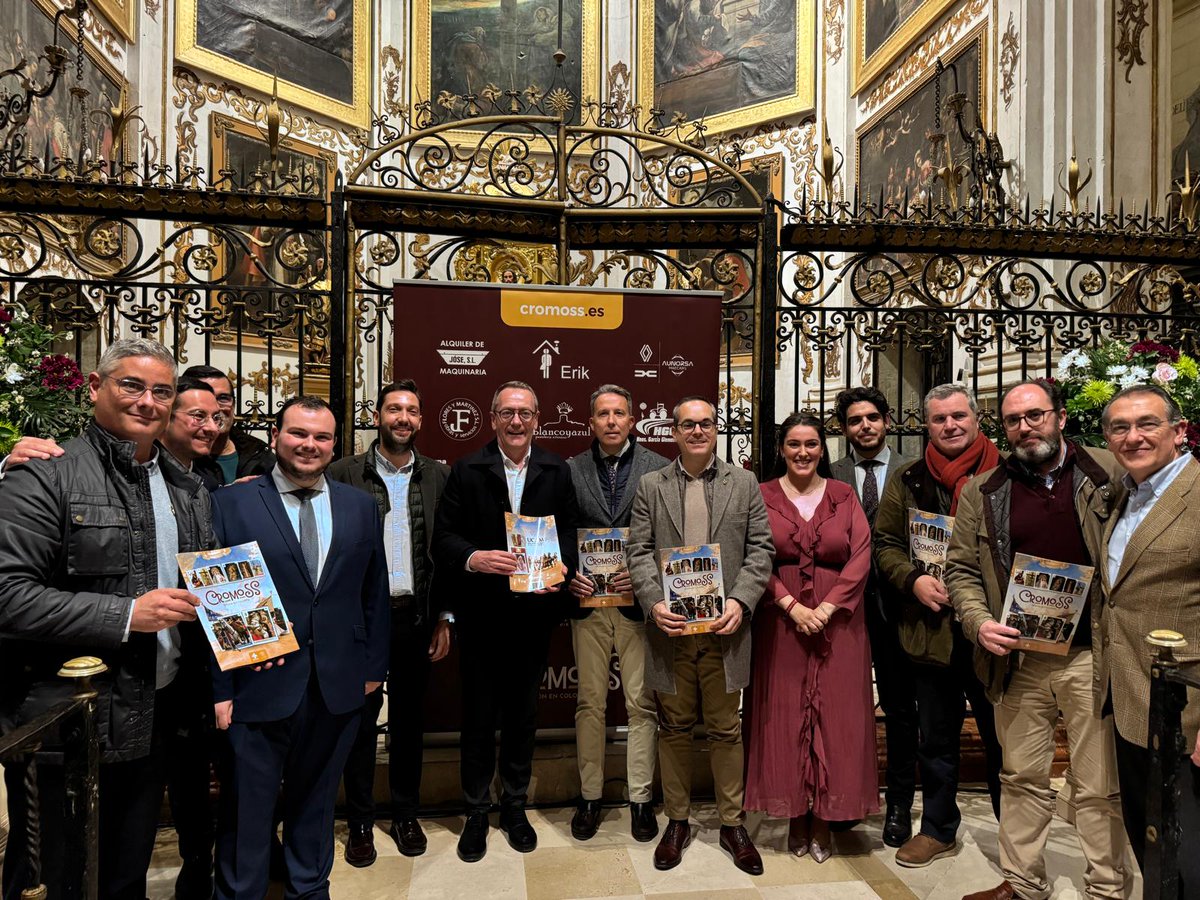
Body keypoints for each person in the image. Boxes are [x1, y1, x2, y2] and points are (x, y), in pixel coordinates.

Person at [0, 338, 214, 900]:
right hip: (72, 720)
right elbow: (6, 595)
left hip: (155, 712)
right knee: (58, 879)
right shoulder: (46, 473)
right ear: (95, 388)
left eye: (162, 391)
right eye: (132, 385)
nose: (148, 401)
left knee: (125, 875)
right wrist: (125, 615)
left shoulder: (188, 488)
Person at [945, 380, 1125, 900]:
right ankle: (1023, 883)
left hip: (1092, 656)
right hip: (1017, 660)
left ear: (1061, 418)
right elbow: (960, 571)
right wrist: (979, 622)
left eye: (1035, 416)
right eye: (1013, 420)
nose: (1025, 428)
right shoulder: (984, 490)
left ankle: (1107, 887)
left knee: (1097, 785)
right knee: (1020, 776)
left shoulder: (1106, 474)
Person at [209, 395, 389, 900]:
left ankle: (310, 888)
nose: (309, 445)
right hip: (256, 683)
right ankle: (241, 892)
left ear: (336, 444)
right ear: (276, 437)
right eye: (298, 434)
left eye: (322, 437)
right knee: (247, 808)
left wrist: (373, 669)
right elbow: (215, 602)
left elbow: (374, 589)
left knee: (315, 803)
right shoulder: (231, 503)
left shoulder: (360, 506)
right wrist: (221, 687)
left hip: (337, 683)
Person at [432, 380, 580, 863]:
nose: (516, 422)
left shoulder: (557, 471)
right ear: (493, 418)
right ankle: (477, 810)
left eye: (525, 413)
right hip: (481, 617)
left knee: (522, 716)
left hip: (534, 619)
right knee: (477, 717)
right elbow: (444, 538)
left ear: (538, 419)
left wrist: (561, 576)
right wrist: (476, 557)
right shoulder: (467, 469)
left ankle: (514, 806)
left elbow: (572, 540)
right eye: (507, 413)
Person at [626, 396, 774, 875]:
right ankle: (678, 820)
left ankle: (732, 824)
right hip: (671, 631)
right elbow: (639, 552)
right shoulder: (651, 485)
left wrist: (740, 601)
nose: (696, 431)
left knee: (726, 728)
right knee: (673, 728)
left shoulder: (744, 482)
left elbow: (761, 550)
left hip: (724, 630)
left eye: (705, 424)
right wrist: (654, 603)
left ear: (716, 429)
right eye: (686, 425)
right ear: (673, 432)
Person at [873, 383, 1003, 868]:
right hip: (931, 635)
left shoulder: (1007, 473)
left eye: (957, 416)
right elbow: (885, 543)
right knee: (937, 739)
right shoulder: (907, 479)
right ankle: (937, 829)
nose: (949, 426)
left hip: (992, 636)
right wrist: (913, 581)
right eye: (939, 419)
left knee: (1001, 741)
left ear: (977, 418)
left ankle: (1014, 838)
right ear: (925, 424)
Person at [745, 413, 876, 863]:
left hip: (839, 624)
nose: (803, 452)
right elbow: (753, 556)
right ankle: (794, 816)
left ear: (823, 449)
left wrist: (825, 607)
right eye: (794, 444)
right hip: (780, 624)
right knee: (782, 717)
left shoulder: (844, 496)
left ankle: (826, 819)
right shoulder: (759, 495)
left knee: (837, 720)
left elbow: (861, 556)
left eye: (812, 444)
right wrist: (790, 605)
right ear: (781, 448)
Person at [330, 380, 452, 863]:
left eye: (413, 410)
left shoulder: (439, 475)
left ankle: (405, 813)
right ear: (377, 415)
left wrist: (445, 616)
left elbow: (445, 552)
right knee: (359, 725)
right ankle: (360, 820)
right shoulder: (342, 473)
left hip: (417, 618)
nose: (404, 418)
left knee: (408, 724)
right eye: (394, 409)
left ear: (421, 420)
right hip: (361, 623)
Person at [1097, 384, 1200, 896]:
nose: (1133, 436)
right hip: (1133, 695)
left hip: (1190, 707)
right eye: (1119, 427)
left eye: (1147, 424)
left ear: (1179, 432)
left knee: (1193, 849)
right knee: (1152, 839)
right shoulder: (1124, 492)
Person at [565, 384, 669, 843]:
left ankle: (641, 800)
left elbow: (669, 537)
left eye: (619, 413)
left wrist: (646, 579)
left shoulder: (659, 468)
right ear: (591, 422)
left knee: (641, 704)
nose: (610, 421)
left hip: (637, 606)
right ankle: (589, 797)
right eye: (602, 414)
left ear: (632, 421)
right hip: (586, 605)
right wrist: (567, 572)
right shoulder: (569, 470)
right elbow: (560, 532)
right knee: (589, 702)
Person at [829, 386, 918, 847]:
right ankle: (842, 795)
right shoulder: (833, 472)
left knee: (900, 708)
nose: (864, 427)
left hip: (898, 608)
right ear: (843, 428)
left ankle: (899, 802)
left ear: (886, 420)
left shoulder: (912, 469)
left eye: (871, 418)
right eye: (854, 420)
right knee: (843, 705)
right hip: (842, 606)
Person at [180, 364, 275, 482]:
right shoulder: (178, 460)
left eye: (223, 398)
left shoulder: (258, 452)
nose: (215, 407)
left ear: (234, 405)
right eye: (204, 399)